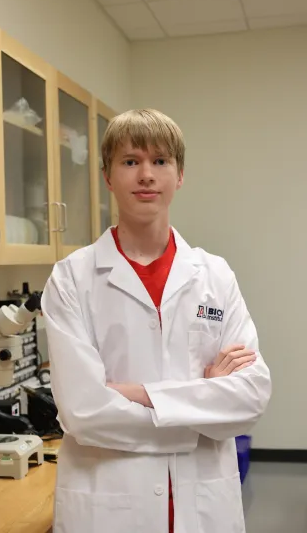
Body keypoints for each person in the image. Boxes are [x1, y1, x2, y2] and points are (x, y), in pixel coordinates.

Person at [41, 109, 271, 533]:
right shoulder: (72, 278)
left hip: (204, 509)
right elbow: (83, 411)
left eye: (160, 161)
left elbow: (250, 397)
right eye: (130, 161)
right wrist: (201, 404)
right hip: (108, 508)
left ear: (179, 175)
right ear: (108, 176)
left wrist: (134, 394)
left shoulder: (215, 276)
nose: (146, 175)